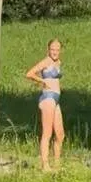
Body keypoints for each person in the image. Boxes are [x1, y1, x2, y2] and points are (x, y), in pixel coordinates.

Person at [25, 39, 64, 171]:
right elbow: (29, 73)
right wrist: (42, 81)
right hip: (48, 98)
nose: (55, 52)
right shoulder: (46, 61)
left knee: (60, 134)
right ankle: (45, 165)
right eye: (53, 49)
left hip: (56, 99)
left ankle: (57, 164)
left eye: (57, 49)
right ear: (48, 50)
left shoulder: (58, 62)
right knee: (47, 133)